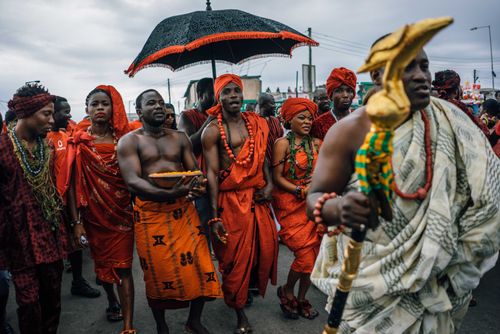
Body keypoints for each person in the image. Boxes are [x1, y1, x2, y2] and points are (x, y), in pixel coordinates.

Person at [307, 48, 500, 333]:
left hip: (440, 280)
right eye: (408, 68)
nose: (422, 77)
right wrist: (338, 208)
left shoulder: (453, 123)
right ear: (377, 74)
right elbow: (314, 200)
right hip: (370, 282)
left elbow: (486, 189)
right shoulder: (351, 130)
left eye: (425, 66)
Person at [117, 89, 222, 334]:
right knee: (158, 271)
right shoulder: (130, 141)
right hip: (151, 214)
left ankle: (194, 321)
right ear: (140, 110)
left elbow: (194, 172)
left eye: (162, 103)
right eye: (151, 103)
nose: (158, 107)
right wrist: (170, 193)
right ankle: (161, 325)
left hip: (184, 212)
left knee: (201, 264)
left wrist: (197, 188)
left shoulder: (180, 137)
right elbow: (133, 181)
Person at [201, 74, 278, 333]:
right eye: (226, 92)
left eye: (236, 91)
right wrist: (213, 218)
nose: (233, 96)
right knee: (232, 261)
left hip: (256, 198)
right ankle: (239, 312)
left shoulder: (255, 122)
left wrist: (269, 184)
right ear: (218, 97)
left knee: (261, 252)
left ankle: (246, 292)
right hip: (229, 203)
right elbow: (211, 175)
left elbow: (262, 157)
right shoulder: (212, 131)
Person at [1, 83, 69, 333]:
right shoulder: (2, 148)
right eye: (46, 114)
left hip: (49, 236)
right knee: (29, 304)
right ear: (26, 113)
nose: (52, 120)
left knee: (52, 300)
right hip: (17, 241)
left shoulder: (47, 148)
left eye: (52, 113)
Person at [69, 85, 135, 334]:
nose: (99, 108)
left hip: (121, 216)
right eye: (94, 104)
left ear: (112, 108)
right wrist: (76, 223)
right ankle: (111, 300)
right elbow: (73, 186)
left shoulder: (125, 140)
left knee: (125, 267)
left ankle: (128, 326)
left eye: (104, 104)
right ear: (86, 109)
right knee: (104, 266)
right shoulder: (79, 142)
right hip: (93, 218)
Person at [272, 98, 322, 321]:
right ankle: (287, 290)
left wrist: (315, 186)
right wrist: (300, 191)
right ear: (288, 119)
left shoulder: (318, 144)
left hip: (314, 205)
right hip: (290, 204)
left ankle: (302, 298)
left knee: (314, 257)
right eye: (301, 117)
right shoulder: (282, 144)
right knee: (305, 256)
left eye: (310, 118)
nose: (307, 121)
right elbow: (277, 178)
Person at [46, 96, 101, 299]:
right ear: (53, 113)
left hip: (69, 201)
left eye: (70, 111)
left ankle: (78, 282)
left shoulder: (66, 135)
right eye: (64, 112)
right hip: (49, 203)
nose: (69, 115)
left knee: (76, 243)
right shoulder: (44, 138)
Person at [178, 78, 216, 251]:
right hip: (200, 176)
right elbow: (189, 144)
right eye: (212, 94)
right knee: (204, 218)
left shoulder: (224, 114)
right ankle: (204, 255)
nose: (216, 99)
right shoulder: (187, 116)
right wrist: (210, 119)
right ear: (200, 95)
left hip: (221, 174)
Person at [432, 69, 489, 137]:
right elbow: (482, 133)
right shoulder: (457, 106)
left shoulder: (429, 104)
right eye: (459, 86)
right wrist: (483, 121)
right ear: (456, 90)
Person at [310, 67, 357, 140]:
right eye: (339, 91)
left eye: (349, 91)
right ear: (331, 95)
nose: (345, 95)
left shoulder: (360, 118)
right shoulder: (319, 124)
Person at [258, 93, 284, 164]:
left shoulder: (275, 121)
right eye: (272, 103)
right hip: (261, 166)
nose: (275, 106)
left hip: (278, 163)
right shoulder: (255, 122)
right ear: (263, 105)